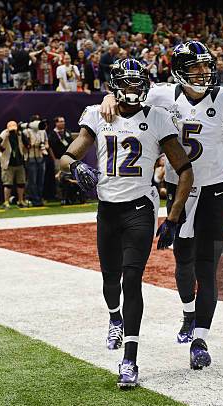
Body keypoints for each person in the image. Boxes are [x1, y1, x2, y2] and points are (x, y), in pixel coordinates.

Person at [101, 40, 223, 371]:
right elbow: (124, 95)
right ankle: (189, 313)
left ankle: (200, 339)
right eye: (196, 67)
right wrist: (107, 97)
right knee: (183, 262)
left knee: (207, 267)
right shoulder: (162, 95)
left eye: (207, 66)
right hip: (180, 192)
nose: (204, 72)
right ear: (179, 71)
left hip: (216, 193)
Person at [61, 59, 193, 388]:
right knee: (110, 279)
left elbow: (185, 169)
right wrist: (74, 168)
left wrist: (173, 217)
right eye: (129, 84)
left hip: (140, 208)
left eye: (139, 83)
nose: (135, 89)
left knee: (132, 279)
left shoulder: (156, 117)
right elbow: (66, 157)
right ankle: (113, 317)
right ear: (115, 86)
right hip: (107, 209)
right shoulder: (97, 114)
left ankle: (130, 359)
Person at [0, 121, 27, 208]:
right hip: (8, 162)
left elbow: (26, 144)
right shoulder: (4, 134)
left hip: (19, 161)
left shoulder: (20, 134)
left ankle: (20, 201)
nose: (13, 131)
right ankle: (6, 201)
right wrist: (6, 137)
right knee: (7, 184)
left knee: (21, 182)